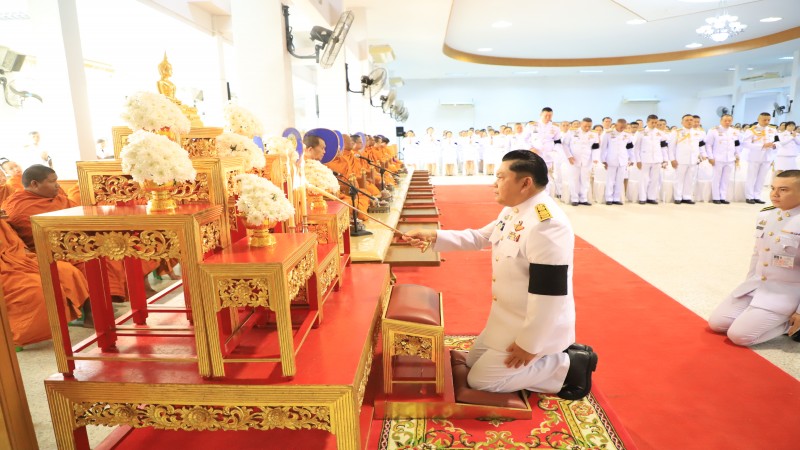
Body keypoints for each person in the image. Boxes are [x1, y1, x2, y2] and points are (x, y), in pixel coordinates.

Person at [403, 150, 597, 399]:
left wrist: (530, 345)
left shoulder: (547, 225)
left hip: (533, 326)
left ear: (525, 183)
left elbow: (549, 295)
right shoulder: (516, 209)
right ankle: (549, 361)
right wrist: (433, 237)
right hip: (506, 317)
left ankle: (569, 364)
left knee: (481, 381)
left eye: (501, 177)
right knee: (472, 361)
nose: (493, 184)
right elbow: (479, 237)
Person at [708, 170, 800, 345]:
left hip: (785, 292)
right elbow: (757, 255)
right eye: (773, 188)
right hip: (758, 285)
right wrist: (747, 284)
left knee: (739, 336)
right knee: (718, 323)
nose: (774, 194)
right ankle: (760, 312)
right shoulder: (767, 214)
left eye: (784, 190)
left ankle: (788, 325)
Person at [0, 218, 90, 345]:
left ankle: (70, 318)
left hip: (18, 259)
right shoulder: (19, 205)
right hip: (4, 270)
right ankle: (17, 334)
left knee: (67, 272)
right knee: (38, 288)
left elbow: (17, 247)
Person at [669, 114, 707, 204]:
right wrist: (672, 159)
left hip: (693, 160)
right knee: (679, 179)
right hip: (680, 159)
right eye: (687, 120)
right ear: (682, 122)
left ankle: (687, 196)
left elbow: (700, 146)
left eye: (691, 120)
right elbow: (671, 148)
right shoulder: (676, 132)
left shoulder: (698, 132)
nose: (689, 121)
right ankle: (678, 197)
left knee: (690, 179)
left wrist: (703, 155)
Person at [742, 113, 780, 204]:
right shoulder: (751, 130)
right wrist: (762, 146)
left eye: (768, 120)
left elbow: (778, 141)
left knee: (762, 178)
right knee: (751, 177)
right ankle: (749, 196)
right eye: (764, 120)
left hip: (767, 157)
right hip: (755, 156)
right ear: (758, 119)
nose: (767, 122)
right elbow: (746, 144)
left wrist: (775, 145)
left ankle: (757, 196)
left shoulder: (773, 130)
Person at [705, 114, 741, 204]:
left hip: (730, 159)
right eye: (725, 120)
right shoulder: (713, 130)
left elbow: (737, 145)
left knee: (726, 179)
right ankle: (716, 197)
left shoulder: (735, 131)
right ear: (721, 121)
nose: (727, 122)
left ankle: (723, 197)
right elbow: (708, 145)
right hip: (717, 158)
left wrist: (737, 156)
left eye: (729, 120)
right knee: (716, 178)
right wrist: (710, 157)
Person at [633, 114, 669, 204]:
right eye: (652, 122)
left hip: (657, 158)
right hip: (644, 159)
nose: (654, 124)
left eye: (656, 122)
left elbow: (663, 147)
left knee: (654, 179)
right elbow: (636, 148)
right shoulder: (641, 132)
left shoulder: (660, 132)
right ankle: (642, 198)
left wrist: (665, 159)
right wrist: (638, 160)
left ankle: (651, 197)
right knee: (644, 179)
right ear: (647, 122)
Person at [563, 117, 600, 206]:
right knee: (574, 179)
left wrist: (595, 158)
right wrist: (569, 156)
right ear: (581, 124)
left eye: (589, 126)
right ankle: (574, 198)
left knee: (585, 179)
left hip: (587, 160)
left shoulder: (594, 134)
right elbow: (565, 145)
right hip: (574, 160)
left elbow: (595, 148)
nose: (587, 128)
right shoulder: (572, 132)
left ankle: (583, 198)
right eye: (585, 126)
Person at [600, 118, 634, 205]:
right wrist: (603, 160)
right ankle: (609, 198)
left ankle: (616, 198)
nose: (622, 128)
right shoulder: (608, 133)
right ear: (616, 125)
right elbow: (603, 148)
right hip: (611, 159)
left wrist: (632, 159)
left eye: (624, 127)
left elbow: (630, 148)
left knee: (620, 179)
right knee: (610, 180)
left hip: (623, 160)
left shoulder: (627, 135)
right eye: (621, 127)